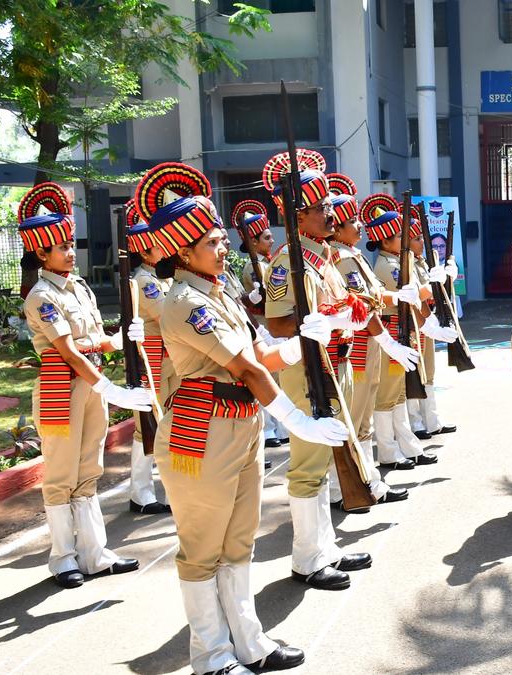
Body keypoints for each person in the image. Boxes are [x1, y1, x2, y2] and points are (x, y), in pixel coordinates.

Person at [135, 161, 339, 674]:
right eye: (210, 241)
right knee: (203, 548)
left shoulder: (218, 291)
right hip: (202, 432)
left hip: (240, 422)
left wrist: (297, 344)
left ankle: (249, 642)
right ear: (182, 252)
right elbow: (245, 366)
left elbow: (259, 354)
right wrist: (296, 420)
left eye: (221, 238)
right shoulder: (184, 302)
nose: (223, 246)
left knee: (238, 540)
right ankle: (210, 655)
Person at [262, 151, 416, 590]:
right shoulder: (288, 261)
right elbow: (278, 322)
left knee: (331, 455)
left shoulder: (323, 257)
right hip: (309, 368)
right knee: (309, 463)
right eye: (320, 209)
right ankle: (307, 558)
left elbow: (349, 305)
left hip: (338, 362)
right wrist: (321, 322)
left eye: (330, 207)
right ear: (298, 216)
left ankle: (325, 549)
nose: (330, 214)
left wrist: (370, 331)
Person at [19, 182, 151, 589]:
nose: (70, 252)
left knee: (89, 469)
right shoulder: (41, 295)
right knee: (61, 474)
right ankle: (62, 557)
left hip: (90, 381)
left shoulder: (79, 286)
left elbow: (89, 343)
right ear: (41, 254)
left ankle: (95, 553)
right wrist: (108, 381)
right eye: (60, 247)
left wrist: (115, 339)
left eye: (69, 245)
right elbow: (67, 350)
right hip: (64, 387)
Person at [322, 174, 409, 512]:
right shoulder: (342, 260)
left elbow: (372, 295)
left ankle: (368, 478)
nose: (360, 225)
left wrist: (395, 295)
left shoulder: (353, 256)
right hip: (357, 342)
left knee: (365, 418)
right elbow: (361, 299)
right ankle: (340, 486)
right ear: (338, 228)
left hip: (370, 339)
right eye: (352, 221)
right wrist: (389, 297)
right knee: (352, 417)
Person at [360, 193, 457, 470]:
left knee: (399, 394)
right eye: (400, 235)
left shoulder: (397, 263)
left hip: (404, 329)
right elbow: (412, 296)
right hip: (392, 330)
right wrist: (440, 280)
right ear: (386, 240)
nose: (406, 239)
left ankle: (408, 447)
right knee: (388, 397)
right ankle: (389, 452)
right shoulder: (388, 267)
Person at [124, 200, 173, 514]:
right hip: (153, 357)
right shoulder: (145, 281)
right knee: (148, 425)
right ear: (144, 252)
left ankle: (168, 489)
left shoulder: (162, 277)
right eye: (158, 245)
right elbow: (166, 313)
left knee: (167, 422)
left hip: (170, 356)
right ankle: (140, 493)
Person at [232, 200, 288, 452]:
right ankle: (268, 429)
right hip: (263, 325)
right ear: (253, 242)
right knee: (268, 377)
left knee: (281, 378)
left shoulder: (268, 263)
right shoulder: (252, 267)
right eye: (266, 237)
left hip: (274, 325)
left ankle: (281, 426)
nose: (271, 241)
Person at [407, 210, 460, 439]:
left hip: (426, 319)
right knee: (413, 375)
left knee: (428, 373)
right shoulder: (404, 262)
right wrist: (433, 283)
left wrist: (448, 275)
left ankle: (432, 420)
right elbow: (414, 294)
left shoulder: (420, 261)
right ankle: (416, 423)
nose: (421, 242)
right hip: (413, 324)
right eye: (416, 238)